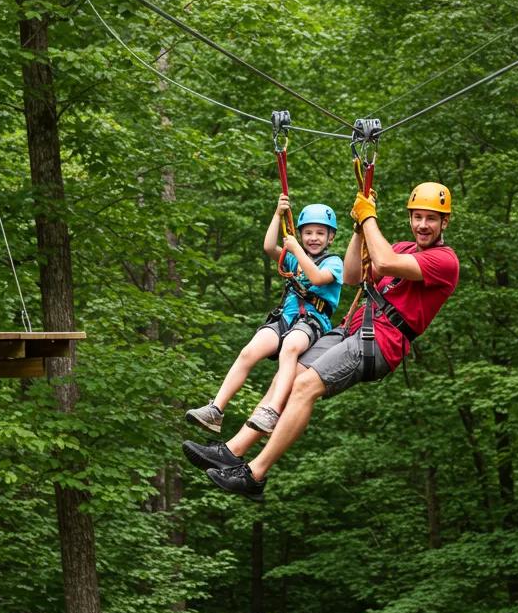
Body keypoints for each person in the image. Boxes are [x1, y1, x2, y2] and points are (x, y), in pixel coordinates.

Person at [182, 182, 459, 501]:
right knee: (288, 374)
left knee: (304, 386)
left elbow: (383, 264)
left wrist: (370, 219)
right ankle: (232, 450)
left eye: (431, 219)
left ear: (444, 222)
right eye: (418, 217)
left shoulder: (445, 260)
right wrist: (358, 229)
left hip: (379, 342)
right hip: (352, 329)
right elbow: (354, 275)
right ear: (410, 218)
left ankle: (255, 474)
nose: (423, 225)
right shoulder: (403, 247)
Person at [185, 194, 343, 436]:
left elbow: (317, 278)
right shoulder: (293, 258)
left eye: (320, 233)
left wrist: (296, 250)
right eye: (308, 232)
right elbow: (269, 247)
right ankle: (215, 409)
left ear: (330, 237)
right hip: (285, 318)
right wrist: (277, 214)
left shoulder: (333, 262)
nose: (313, 238)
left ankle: (272, 410)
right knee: (249, 351)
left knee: (291, 347)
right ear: (301, 234)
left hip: (312, 321)